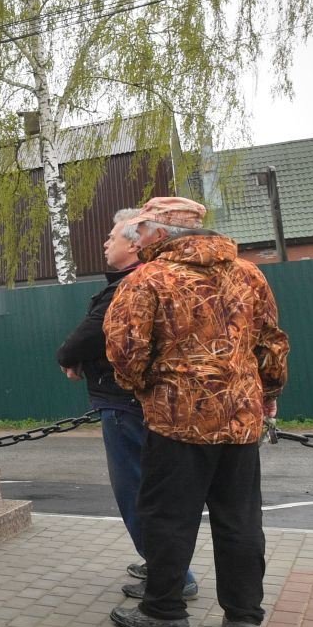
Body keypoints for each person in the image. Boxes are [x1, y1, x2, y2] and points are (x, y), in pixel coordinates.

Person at [104, 197, 289, 627]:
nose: (138, 238)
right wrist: (268, 393)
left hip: (176, 420)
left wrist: (144, 387)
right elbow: (272, 344)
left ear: (162, 233)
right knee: (241, 519)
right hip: (240, 420)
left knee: (168, 515)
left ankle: (164, 610)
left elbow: (126, 351)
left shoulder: (148, 279)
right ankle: (244, 616)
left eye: (143, 230)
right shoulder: (249, 274)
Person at [56, 208, 197, 601]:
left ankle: (174, 577)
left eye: (113, 237)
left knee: (137, 490)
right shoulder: (148, 279)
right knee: (150, 489)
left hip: (125, 402)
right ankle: (165, 566)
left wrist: (69, 357)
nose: (105, 243)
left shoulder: (131, 284)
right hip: (141, 401)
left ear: (136, 243)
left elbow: (90, 335)